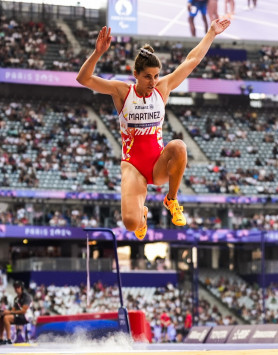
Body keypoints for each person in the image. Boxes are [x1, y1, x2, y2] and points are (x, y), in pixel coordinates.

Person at [76, 18, 231, 240]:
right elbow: (83, 78)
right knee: (130, 224)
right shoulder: (122, 91)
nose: (153, 81)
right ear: (136, 74)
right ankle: (143, 214)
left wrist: (211, 33)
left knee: (179, 145)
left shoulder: (162, 88)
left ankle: (172, 199)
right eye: (148, 76)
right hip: (133, 166)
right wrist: (98, 53)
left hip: (157, 163)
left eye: (156, 76)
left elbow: (192, 60)